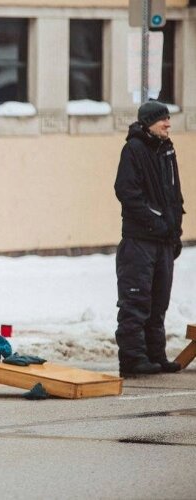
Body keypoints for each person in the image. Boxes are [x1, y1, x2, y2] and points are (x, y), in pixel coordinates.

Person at [114, 100, 185, 377]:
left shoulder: (167, 149)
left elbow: (173, 194)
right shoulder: (134, 149)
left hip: (164, 241)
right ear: (148, 123)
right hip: (139, 241)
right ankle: (133, 359)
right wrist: (156, 222)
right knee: (136, 301)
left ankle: (155, 355)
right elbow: (127, 192)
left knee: (158, 301)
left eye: (168, 118)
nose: (168, 123)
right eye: (162, 120)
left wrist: (175, 230)